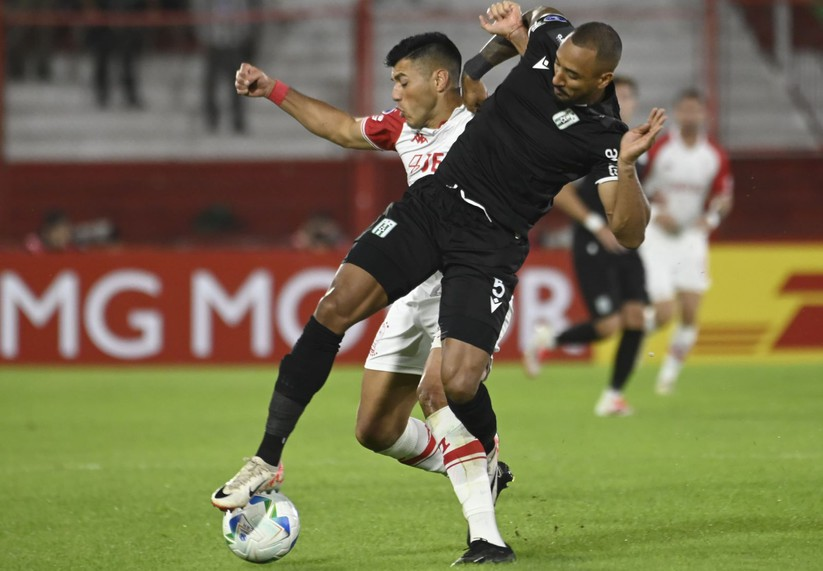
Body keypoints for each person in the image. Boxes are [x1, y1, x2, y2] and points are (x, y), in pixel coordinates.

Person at [216, 2, 664, 564]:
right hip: (435, 206)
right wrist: (511, 32)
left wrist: (626, 166)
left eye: (572, 76)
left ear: (603, 80)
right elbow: (539, 18)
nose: (557, 76)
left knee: (454, 386)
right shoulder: (548, 43)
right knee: (340, 322)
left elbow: (629, 232)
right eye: (556, 64)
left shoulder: (604, 135)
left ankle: (486, 500)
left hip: (489, 244)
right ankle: (266, 459)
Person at [215, 30, 521, 561]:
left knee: (438, 392)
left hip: (470, 276)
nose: (395, 94)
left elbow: (474, 77)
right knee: (375, 429)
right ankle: (472, 461)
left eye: (402, 81)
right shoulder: (401, 126)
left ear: (440, 80)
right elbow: (339, 128)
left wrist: (510, 41)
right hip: (413, 280)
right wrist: (273, 90)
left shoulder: (479, 118)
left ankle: (485, 537)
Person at [521, 76, 649, 417]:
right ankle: (548, 341)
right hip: (593, 241)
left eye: (629, 96)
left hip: (625, 243)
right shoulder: (588, 137)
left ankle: (613, 396)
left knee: (637, 317)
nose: (624, 101)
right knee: (609, 326)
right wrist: (595, 226)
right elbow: (559, 188)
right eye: (618, 95)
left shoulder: (635, 143)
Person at [639, 88, 733, 395]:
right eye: (684, 110)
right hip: (658, 234)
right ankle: (636, 339)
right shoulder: (660, 148)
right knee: (665, 313)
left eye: (695, 110)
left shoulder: (714, 155)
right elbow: (638, 183)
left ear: (705, 114)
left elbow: (723, 197)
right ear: (676, 113)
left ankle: (668, 377)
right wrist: (657, 208)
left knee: (691, 312)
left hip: (691, 236)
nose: (690, 116)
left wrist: (712, 218)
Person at [192, 0, 260, 133]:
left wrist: (239, 36)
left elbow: (244, 17)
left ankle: (238, 120)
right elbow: (200, 14)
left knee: (237, 84)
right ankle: (212, 120)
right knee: (210, 84)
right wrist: (206, 37)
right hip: (213, 44)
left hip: (233, 44)